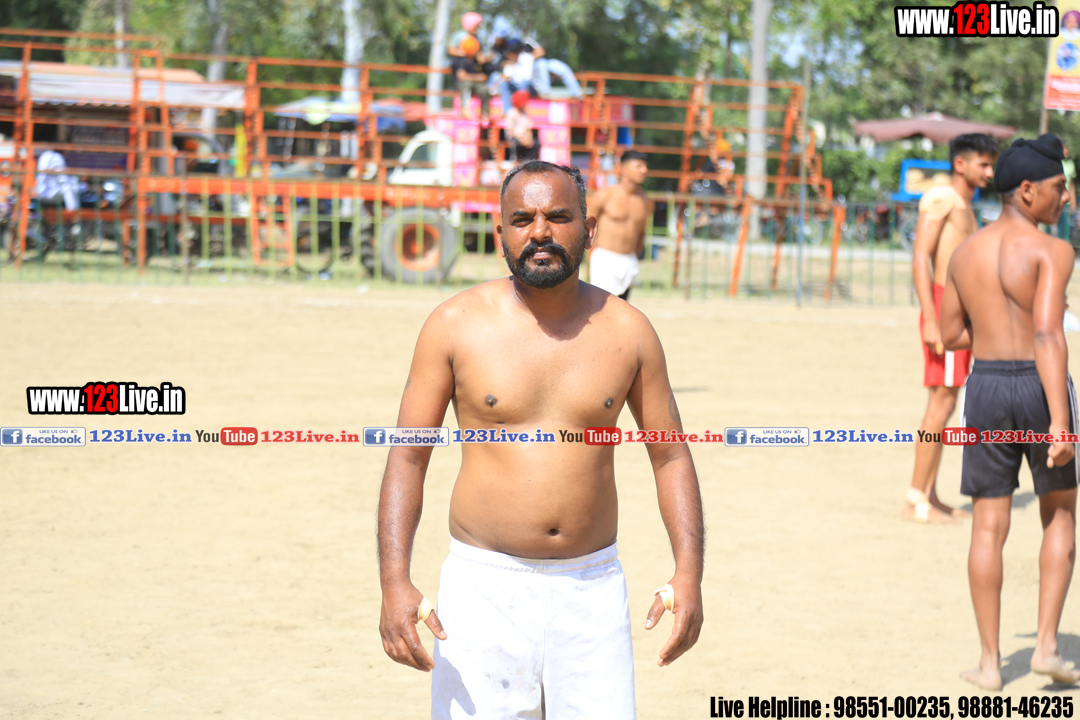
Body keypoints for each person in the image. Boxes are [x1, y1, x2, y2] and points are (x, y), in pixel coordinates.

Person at [377, 160, 704, 719]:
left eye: (558, 216)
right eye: (522, 219)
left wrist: (689, 572)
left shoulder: (629, 331)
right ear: (499, 233)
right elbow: (408, 457)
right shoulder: (454, 324)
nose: (540, 232)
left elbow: (670, 454)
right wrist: (393, 582)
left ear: (589, 229)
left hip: (592, 588)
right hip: (483, 588)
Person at [940, 134, 1080, 690]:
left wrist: (993, 331)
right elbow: (1047, 335)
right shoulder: (1053, 251)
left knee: (987, 526)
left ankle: (990, 664)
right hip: (1041, 388)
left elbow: (951, 334)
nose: (1065, 197)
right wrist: (1061, 421)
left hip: (987, 387)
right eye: (1059, 187)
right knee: (1060, 516)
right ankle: (1045, 647)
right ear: (1027, 190)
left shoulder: (965, 253)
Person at [904, 133, 999, 525]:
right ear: (960, 164)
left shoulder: (965, 206)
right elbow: (920, 258)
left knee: (948, 403)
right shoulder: (942, 198)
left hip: (960, 311)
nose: (989, 172)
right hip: (945, 310)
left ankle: (930, 494)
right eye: (983, 164)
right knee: (940, 404)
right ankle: (915, 499)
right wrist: (931, 317)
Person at [588, 149, 654, 301]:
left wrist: (634, 257)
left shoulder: (646, 202)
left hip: (629, 260)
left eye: (645, 166)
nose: (644, 170)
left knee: (623, 306)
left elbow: (641, 233)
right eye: (638, 166)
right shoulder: (604, 196)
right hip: (605, 258)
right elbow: (587, 226)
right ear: (624, 169)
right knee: (601, 306)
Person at [451, 36, 493, 121]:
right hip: (466, 85)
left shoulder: (479, 61)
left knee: (485, 90)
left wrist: (483, 62)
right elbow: (461, 76)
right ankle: (465, 108)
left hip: (477, 85)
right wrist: (477, 77)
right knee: (467, 83)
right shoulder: (462, 60)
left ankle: (485, 113)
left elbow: (485, 76)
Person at [503, 89, 536, 162]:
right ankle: (516, 163)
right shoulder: (511, 113)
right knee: (516, 145)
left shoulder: (525, 113)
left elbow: (528, 128)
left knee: (536, 144)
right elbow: (510, 131)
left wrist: (530, 140)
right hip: (516, 138)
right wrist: (522, 140)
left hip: (525, 138)